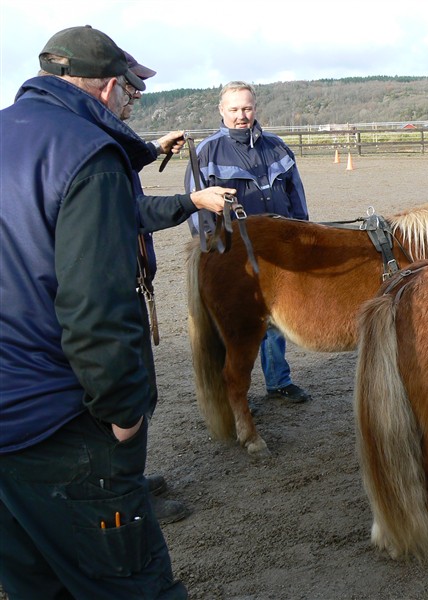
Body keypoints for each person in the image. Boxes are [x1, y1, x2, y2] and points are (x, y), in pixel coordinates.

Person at [0, 25, 190, 597]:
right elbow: (95, 310)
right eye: (134, 94)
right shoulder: (92, 157)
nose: (134, 105)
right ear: (109, 89)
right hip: (64, 422)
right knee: (132, 584)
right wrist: (123, 413)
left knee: (35, 583)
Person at [121, 50, 232, 525]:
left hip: (126, 283)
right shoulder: (87, 137)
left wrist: (151, 150)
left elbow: (118, 171)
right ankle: (124, 495)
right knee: (125, 394)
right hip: (112, 292)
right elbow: (131, 208)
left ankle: (129, 478)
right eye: (130, 88)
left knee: (135, 392)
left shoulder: (88, 135)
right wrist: (192, 201)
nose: (136, 96)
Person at [185, 81, 312, 404]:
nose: (242, 116)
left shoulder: (278, 147)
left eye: (247, 108)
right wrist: (212, 251)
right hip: (234, 254)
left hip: (278, 252)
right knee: (238, 325)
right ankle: (235, 392)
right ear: (221, 110)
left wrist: (302, 235)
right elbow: (197, 209)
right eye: (234, 109)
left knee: (275, 319)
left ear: (255, 108)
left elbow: (295, 195)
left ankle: (278, 381)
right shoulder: (206, 153)